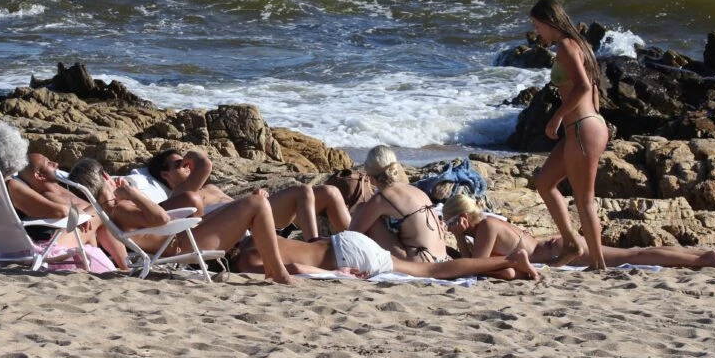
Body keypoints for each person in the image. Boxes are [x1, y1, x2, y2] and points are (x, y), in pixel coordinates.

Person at [68, 157, 295, 284]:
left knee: (251, 202)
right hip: (181, 243)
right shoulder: (120, 208)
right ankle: (277, 273)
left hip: (181, 237)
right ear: (105, 176)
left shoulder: (113, 208)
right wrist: (132, 193)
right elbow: (161, 218)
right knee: (256, 203)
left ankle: (273, 269)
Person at [442, 193, 715, 271]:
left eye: (451, 221)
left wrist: (457, 239)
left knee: (635, 256)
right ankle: (708, 253)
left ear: (463, 217)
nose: (449, 225)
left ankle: (706, 260)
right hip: (557, 246)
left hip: (561, 252)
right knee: (634, 253)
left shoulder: (487, 227)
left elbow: (475, 265)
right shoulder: (488, 224)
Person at [0, 121, 120, 271]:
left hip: (4, 248)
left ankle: (103, 263)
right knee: (96, 213)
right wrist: (79, 213)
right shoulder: (12, 186)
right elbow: (59, 212)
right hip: (36, 249)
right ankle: (121, 265)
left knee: (89, 221)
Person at [529, 0, 609, 269]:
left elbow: (584, 86)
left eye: (537, 25)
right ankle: (572, 244)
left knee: (585, 199)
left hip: (583, 127)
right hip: (586, 125)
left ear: (549, 21)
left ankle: (598, 263)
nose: (536, 31)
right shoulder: (581, 44)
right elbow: (594, 88)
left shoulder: (565, 46)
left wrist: (558, 117)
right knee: (544, 182)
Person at [146, 149, 351, 240]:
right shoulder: (179, 195)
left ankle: (360, 242)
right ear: (165, 175)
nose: (187, 165)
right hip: (240, 229)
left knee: (329, 192)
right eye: (180, 164)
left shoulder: (210, 188)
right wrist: (193, 155)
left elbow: (231, 205)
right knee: (302, 190)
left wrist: (255, 196)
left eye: (187, 162)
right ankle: (313, 245)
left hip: (254, 215)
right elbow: (205, 165)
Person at [234, 230, 539, 281]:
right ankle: (503, 268)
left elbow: (295, 268)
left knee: (430, 271)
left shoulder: (245, 261)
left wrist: (334, 274)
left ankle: (510, 260)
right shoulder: (252, 237)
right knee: (426, 268)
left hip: (346, 257)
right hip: (344, 240)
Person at [349, 145, 452, 263]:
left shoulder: (381, 199)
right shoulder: (415, 190)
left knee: (364, 213)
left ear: (370, 176)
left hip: (421, 263)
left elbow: (352, 235)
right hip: (443, 259)